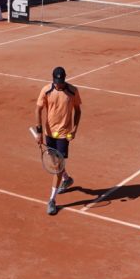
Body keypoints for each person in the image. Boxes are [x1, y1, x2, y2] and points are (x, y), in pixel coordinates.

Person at [35, 66, 82, 216]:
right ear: (53, 79)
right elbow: (38, 110)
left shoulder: (73, 91)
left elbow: (78, 110)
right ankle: (67, 179)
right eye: (56, 82)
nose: (58, 84)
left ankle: (52, 200)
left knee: (57, 167)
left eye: (61, 82)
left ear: (64, 79)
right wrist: (39, 132)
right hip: (49, 133)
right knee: (56, 162)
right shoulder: (46, 90)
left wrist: (74, 129)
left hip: (63, 134)